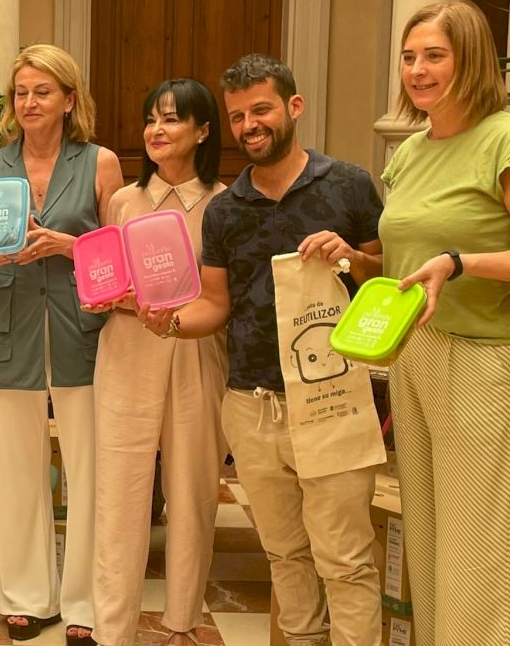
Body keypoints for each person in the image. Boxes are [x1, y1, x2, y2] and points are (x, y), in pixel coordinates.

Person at [141, 54, 385, 646]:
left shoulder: (349, 184)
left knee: (346, 562)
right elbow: (216, 304)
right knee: (285, 556)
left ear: (293, 107)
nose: (250, 125)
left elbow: (387, 280)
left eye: (261, 110)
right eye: (238, 116)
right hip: (251, 407)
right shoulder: (225, 209)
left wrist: (353, 258)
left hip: (333, 399)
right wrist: (170, 323)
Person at [380, 0, 510, 645]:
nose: (417, 70)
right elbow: (408, 255)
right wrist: (354, 256)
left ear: (470, 60)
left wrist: (461, 261)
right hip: (414, 352)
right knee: (427, 542)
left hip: (484, 361)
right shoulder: (410, 150)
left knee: (477, 550)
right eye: (409, 56)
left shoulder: (508, 139)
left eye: (434, 56)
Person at [0, 44, 124, 646]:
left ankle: (85, 601)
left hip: (82, 329)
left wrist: (68, 246)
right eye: (21, 92)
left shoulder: (100, 163)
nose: (29, 102)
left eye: (42, 92)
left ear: (69, 99)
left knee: (89, 470)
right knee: (14, 470)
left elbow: (118, 258)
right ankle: (25, 597)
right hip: (12, 328)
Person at [85, 78, 227, 646]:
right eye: (151, 119)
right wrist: (105, 294)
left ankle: (181, 622)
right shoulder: (124, 200)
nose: (157, 130)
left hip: (197, 353)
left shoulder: (224, 203)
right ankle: (112, 629)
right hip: (126, 352)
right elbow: (108, 276)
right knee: (119, 492)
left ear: (203, 131)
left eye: (171, 119)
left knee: (192, 492)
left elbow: (223, 295)